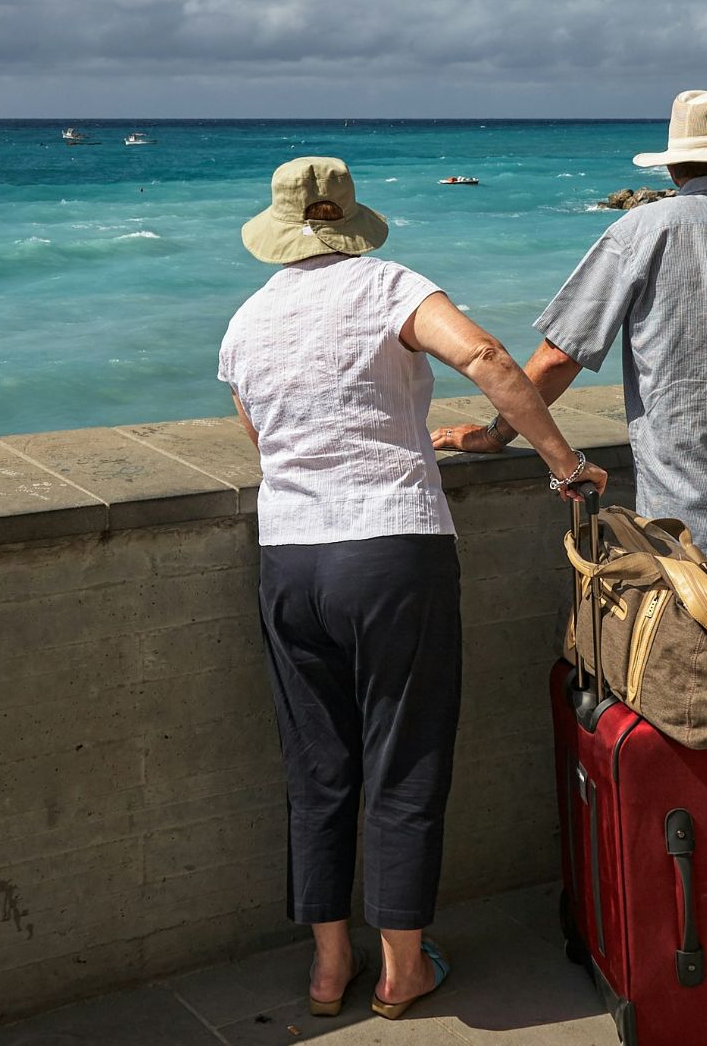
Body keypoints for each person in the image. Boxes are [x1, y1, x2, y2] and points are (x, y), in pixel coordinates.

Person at [433, 88, 707, 870]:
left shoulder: (643, 230)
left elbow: (559, 355)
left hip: (700, 536)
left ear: (674, 167)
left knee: (700, 721)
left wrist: (495, 433)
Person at [220, 156, 607, 1021]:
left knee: (317, 766)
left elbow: (265, 440)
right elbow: (486, 355)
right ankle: (401, 969)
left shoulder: (245, 323)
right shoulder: (389, 285)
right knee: (405, 757)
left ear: (279, 230)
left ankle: (327, 968)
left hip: (290, 557)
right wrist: (564, 463)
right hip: (391, 549)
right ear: (350, 221)